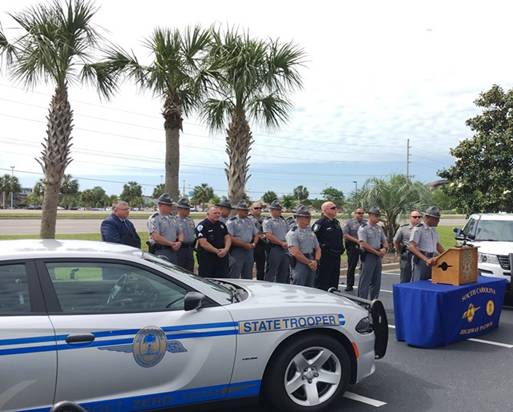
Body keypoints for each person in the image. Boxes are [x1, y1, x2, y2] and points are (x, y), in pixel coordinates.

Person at [286, 205, 321, 287]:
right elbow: (295, 252)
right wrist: (309, 262)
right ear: (298, 218)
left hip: (312, 260)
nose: (309, 219)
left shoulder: (310, 232)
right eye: (306, 217)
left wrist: (316, 260)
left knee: (310, 286)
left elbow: (318, 248)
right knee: (299, 287)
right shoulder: (293, 233)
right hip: (300, 262)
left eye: (309, 217)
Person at [357, 207, 388, 300]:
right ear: (370, 215)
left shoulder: (379, 228)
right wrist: (376, 252)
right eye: (376, 215)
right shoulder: (363, 228)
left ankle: (374, 301)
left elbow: (384, 240)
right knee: (365, 280)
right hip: (368, 255)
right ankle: (362, 301)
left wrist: (385, 249)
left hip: (378, 255)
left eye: (379, 216)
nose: (378, 217)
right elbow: (363, 244)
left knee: (376, 280)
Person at [313, 201, 344, 291]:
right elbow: (314, 240)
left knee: (334, 281)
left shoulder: (336, 223)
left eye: (336, 208)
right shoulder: (320, 223)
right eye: (333, 208)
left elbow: (340, 237)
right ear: (325, 210)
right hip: (325, 257)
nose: (336, 210)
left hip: (336, 256)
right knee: (323, 281)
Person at [408, 206, 445, 281]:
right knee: (419, 283)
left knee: (430, 283)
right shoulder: (419, 229)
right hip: (422, 260)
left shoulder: (433, 230)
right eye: (436, 219)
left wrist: (447, 254)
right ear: (428, 218)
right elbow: (411, 246)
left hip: (433, 260)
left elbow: (437, 245)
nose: (438, 221)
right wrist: (426, 260)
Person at [147, 193, 184, 264]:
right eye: (169, 205)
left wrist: (179, 242)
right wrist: (172, 244)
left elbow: (180, 232)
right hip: (160, 251)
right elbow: (156, 237)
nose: (171, 207)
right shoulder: (155, 218)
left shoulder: (173, 218)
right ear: (161, 206)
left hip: (173, 251)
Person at [196, 206, 231, 277]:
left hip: (222, 258)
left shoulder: (221, 225)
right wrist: (217, 251)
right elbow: (203, 243)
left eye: (219, 213)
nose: (217, 215)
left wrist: (226, 249)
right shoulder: (202, 226)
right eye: (215, 213)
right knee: (207, 280)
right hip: (207, 259)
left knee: (222, 279)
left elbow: (227, 238)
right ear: (208, 214)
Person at [227, 200, 259, 279]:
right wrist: (244, 245)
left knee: (248, 274)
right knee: (235, 273)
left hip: (249, 250)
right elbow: (230, 237)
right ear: (238, 210)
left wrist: (254, 243)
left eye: (247, 210)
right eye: (244, 210)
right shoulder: (231, 222)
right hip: (237, 250)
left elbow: (257, 234)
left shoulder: (250, 221)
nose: (246, 211)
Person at [262, 199, 290, 283]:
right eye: (277, 209)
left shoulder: (283, 220)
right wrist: (281, 243)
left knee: (284, 271)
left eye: (280, 209)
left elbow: (288, 233)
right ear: (271, 210)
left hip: (285, 248)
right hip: (274, 247)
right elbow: (268, 235)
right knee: (271, 271)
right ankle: (268, 289)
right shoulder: (268, 221)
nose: (279, 211)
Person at [393, 209, 422, 283]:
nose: (417, 218)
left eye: (419, 217)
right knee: (405, 278)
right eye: (415, 217)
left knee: (418, 279)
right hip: (407, 256)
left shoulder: (423, 229)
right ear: (410, 218)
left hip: (420, 256)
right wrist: (400, 251)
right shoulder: (403, 228)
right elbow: (396, 241)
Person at [343, 207, 367, 291]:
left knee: (365, 266)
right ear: (355, 213)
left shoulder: (365, 223)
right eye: (359, 213)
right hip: (352, 247)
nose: (360, 215)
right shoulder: (349, 223)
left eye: (362, 213)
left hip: (364, 247)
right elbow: (345, 234)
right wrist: (357, 241)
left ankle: (364, 284)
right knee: (351, 266)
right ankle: (349, 285)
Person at [176, 198, 196, 273]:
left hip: (190, 249)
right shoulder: (174, 220)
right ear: (180, 209)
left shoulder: (190, 220)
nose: (189, 211)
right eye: (187, 209)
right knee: (180, 270)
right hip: (180, 249)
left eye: (188, 209)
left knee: (190, 270)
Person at [249, 201, 267, 281]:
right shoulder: (248, 219)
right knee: (249, 268)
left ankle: (260, 283)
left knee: (261, 267)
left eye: (260, 208)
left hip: (261, 246)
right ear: (251, 209)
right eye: (256, 208)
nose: (259, 209)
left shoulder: (263, 219)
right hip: (251, 244)